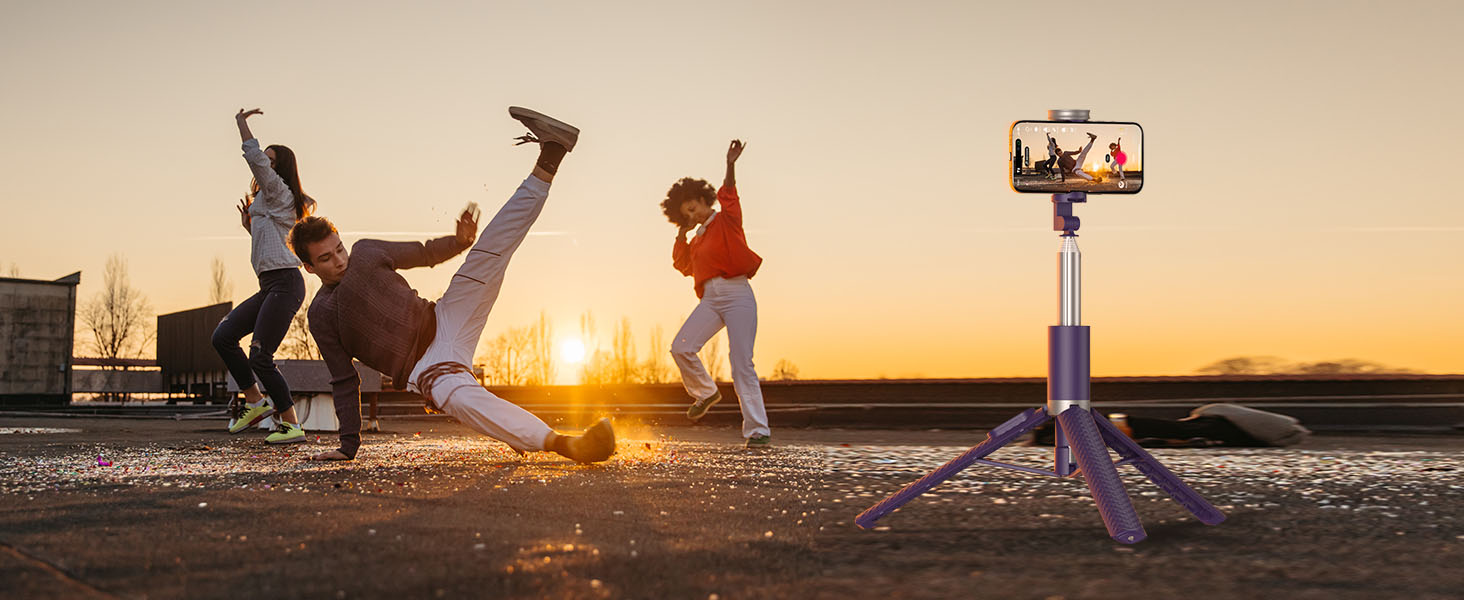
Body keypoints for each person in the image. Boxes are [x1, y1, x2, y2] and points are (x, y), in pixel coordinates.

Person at [292, 107, 614, 463]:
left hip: (447, 318)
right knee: (460, 399)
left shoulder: (366, 252)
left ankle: (550, 156)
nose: (339, 260)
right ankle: (568, 445)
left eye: (339, 249)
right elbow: (343, 379)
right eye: (326, 259)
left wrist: (460, 242)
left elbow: (423, 253)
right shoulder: (322, 314)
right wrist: (347, 447)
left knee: (490, 251)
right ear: (308, 267)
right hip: (427, 368)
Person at [660, 140, 771, 448]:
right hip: (710, 298)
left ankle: (758, 431)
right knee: (681, 347)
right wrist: (681, 236)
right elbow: (683, 266)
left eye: (693, 209)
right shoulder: (695, 240)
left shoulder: (726, 219)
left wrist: (730, 164)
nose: (692, 216)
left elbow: (730, 194)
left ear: (703, 200)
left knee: (740, 362)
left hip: (737, 294)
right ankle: (706, 392)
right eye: (686, 214)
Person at [215, 108, 313, 444]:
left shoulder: (280, 192)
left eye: (271, 161)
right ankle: (255, 403)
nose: (265, 165)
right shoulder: (269, 202)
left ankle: (291, 423)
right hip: (269, 284)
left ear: (279, 168)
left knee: (260, 355)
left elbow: (255, 160)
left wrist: (242, 125)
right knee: (223, 337)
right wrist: (249, 228)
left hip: (286, 283)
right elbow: (271, 244)